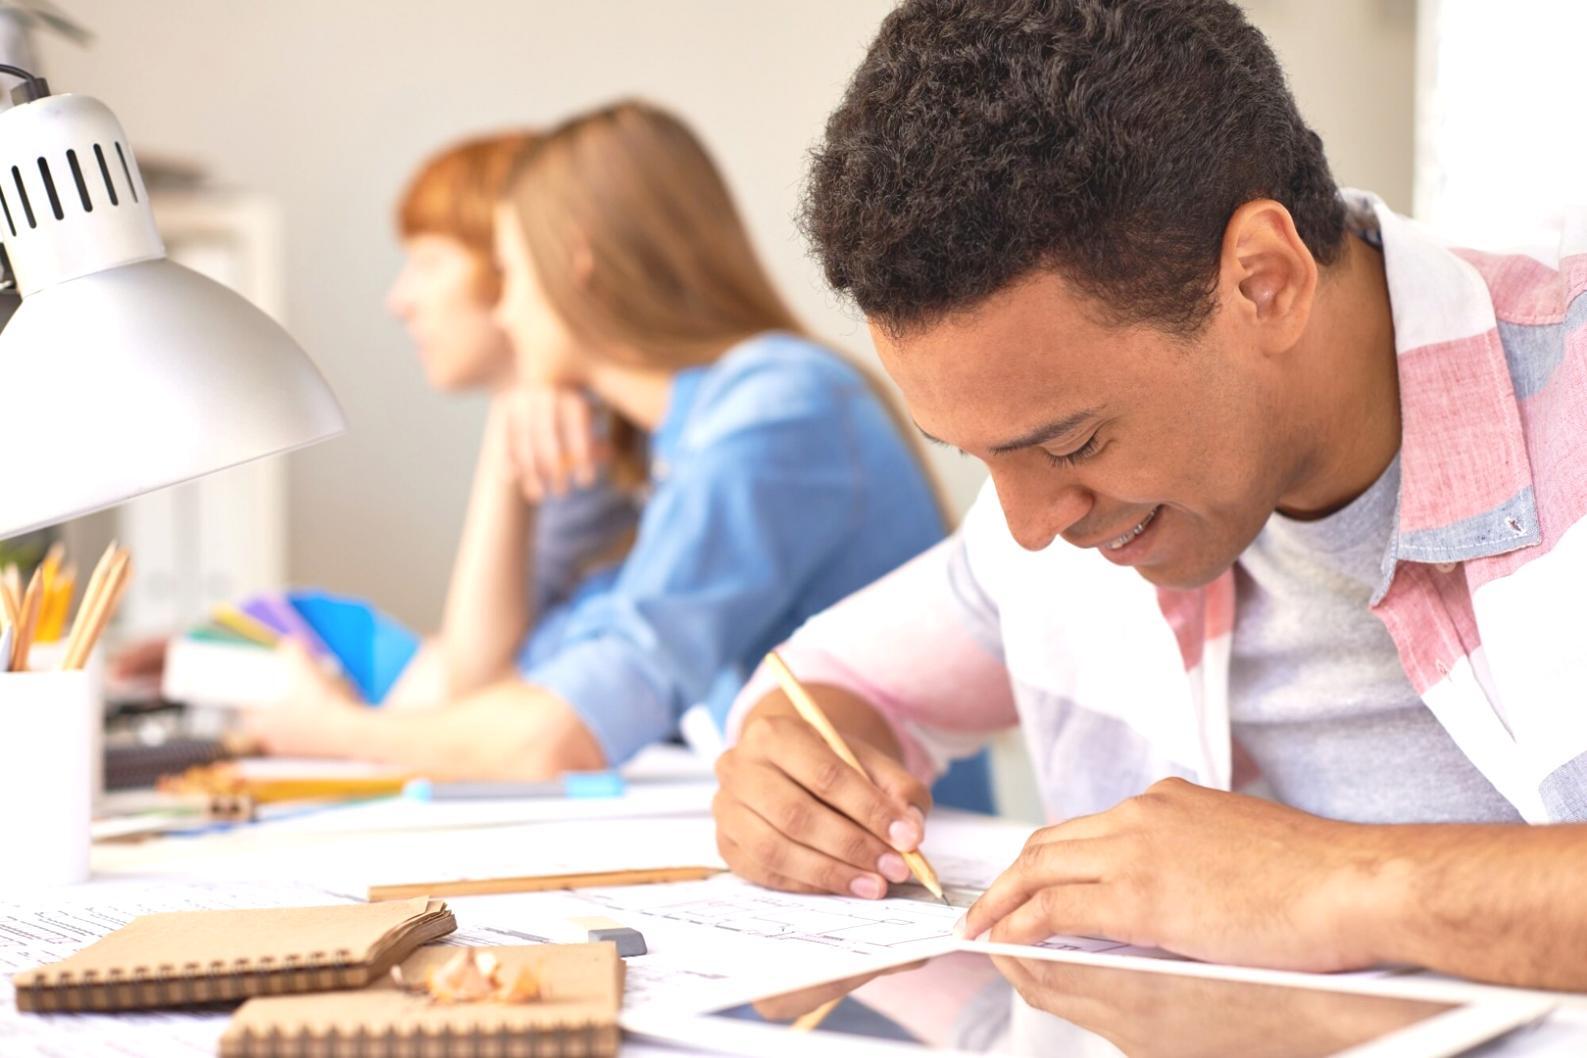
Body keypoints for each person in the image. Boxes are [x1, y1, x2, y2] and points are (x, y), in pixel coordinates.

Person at [712, 0, 1587, 990]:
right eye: (978, 455)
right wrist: (797, 779)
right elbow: (832, 692)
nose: (1031, 526)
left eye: (1073, 442)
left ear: (1264, 282)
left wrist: (1334, 882)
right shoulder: (1075, 489)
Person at [246, 100, 946, 780]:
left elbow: (568, 725)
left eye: (514, 272)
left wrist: (336, 733)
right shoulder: (677, 437)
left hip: (903, 853)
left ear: (575, 262)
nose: (507, 308)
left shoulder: (777, 412)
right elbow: (510, 682)